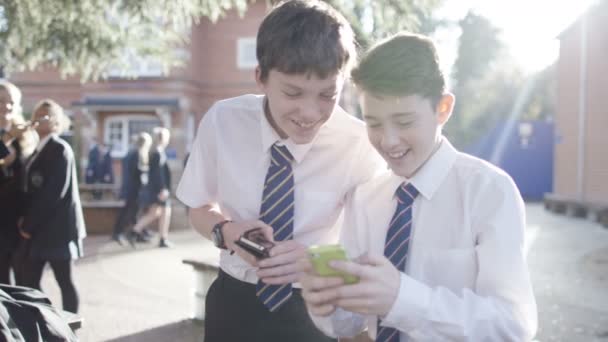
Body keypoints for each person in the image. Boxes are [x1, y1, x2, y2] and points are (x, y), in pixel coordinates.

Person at [300, 32, 538, 341]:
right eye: (374, 123)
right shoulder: (365, 197)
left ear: (443, 108)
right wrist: (326, 304)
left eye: (404, 121)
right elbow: (349, 325)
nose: (388, 140)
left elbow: (513, 324)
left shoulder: (490, 191)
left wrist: (403, 300)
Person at [176, 1, 385, 341]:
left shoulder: (359, 144)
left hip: (316, 307)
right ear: (260, 77)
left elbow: (371, 248)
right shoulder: (223, 120)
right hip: (233, 301)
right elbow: (198, 208)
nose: (310, 112)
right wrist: (227, 232)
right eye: (292, 92)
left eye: (327, 94)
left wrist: (314, 259)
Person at [20, 99, 86, 314]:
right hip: (42, 232)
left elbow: (52, 193)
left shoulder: (59, 149)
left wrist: (28, 225)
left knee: (65, 282)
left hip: (58, 232)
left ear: (57, 121)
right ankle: (48, 323)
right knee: (30, 282)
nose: (41, 118)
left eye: (47, 115)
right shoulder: (36, 151)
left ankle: (71, 330)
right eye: (37, 114)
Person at [0, 80, 37, 285]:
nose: (6, 106)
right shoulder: (9, 137)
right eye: (0, 100)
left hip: (20, 223)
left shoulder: (25, 137)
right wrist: (5, 140)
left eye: (10, 101)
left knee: (25, 282)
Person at [129, 127, 173, 248]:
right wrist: (163, 189)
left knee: (155, 213)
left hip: (155, 189)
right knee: (165, 212)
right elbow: (158, 174)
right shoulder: (158, 152)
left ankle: (135, 231)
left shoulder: (155, 151)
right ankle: (163, 239)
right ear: (163, 138)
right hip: (159, 190)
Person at [111, 132, 152, 244]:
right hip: (133, 189)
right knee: (127, 212)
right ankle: (117, 233)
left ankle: (138, 233)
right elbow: (136, 172)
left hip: (133, 189)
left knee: (134, 212)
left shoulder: (133, 152)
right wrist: (147, 171)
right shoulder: (136, 154)